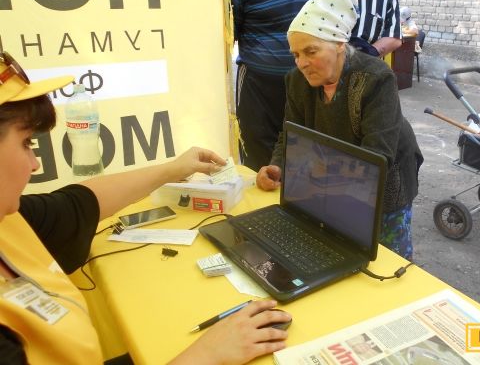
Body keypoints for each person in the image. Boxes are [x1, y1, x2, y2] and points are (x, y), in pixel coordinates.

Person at [0, 51, 291, 364]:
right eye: (26, 142)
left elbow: (76, 205)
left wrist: (173, 169)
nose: (34, 163)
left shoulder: (10, 220)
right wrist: (209, 354)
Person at [256, 0, 423, 260]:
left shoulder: (375, 79)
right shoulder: (297, 81)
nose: (301, 63)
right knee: (339, 247)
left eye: (311, 51)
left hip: (387, 177)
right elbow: (291, 135)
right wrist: (277, 167)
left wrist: (317, 182)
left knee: (387, 258)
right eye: (296, 54)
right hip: (333, 181)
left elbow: (377, 157)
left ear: (339, 45)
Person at [228, 0, 331, 172]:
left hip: (310, 90)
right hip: (259, 93)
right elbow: (228, 35)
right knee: (262, 168)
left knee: (309, 166)